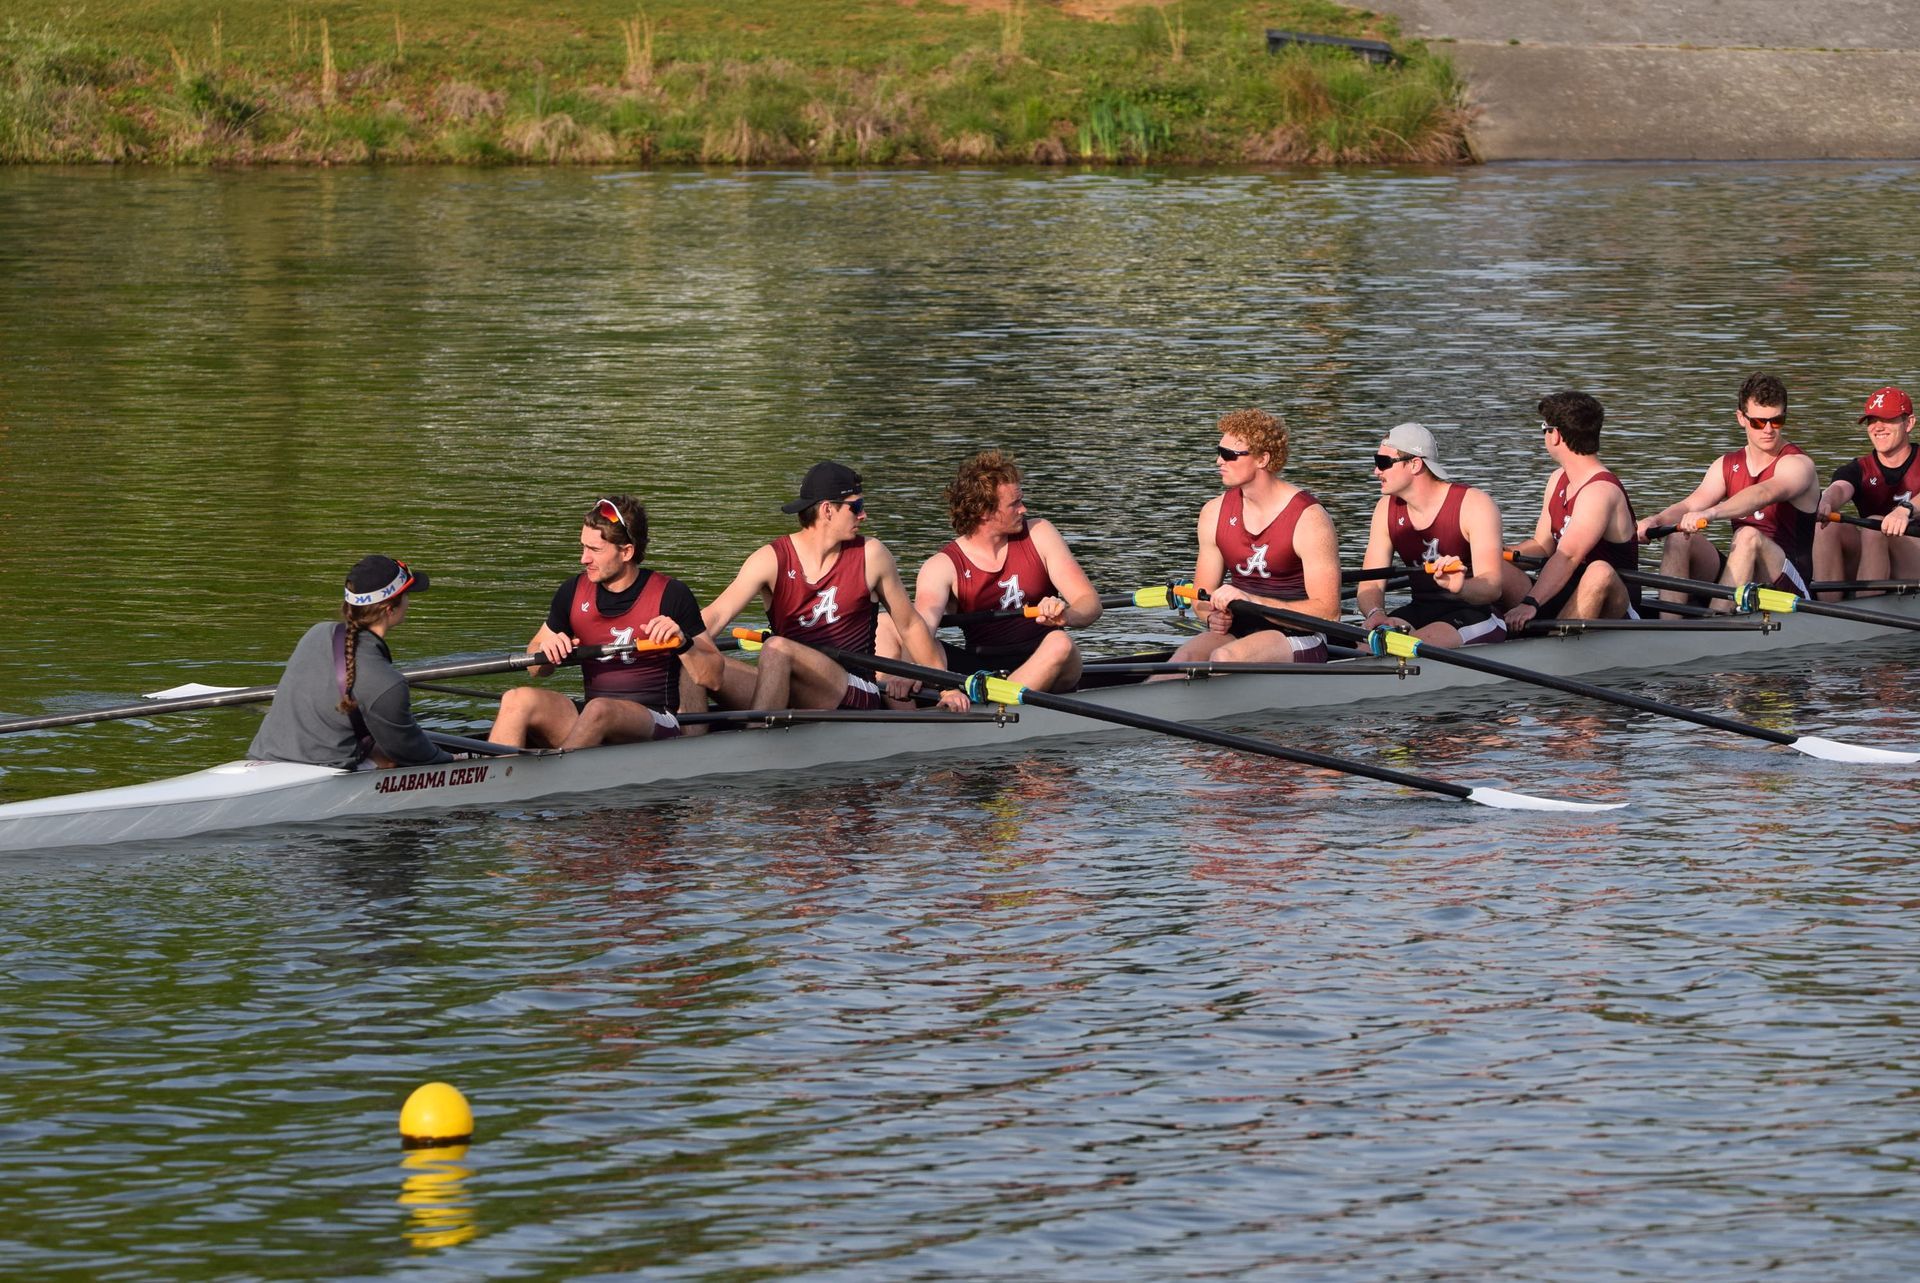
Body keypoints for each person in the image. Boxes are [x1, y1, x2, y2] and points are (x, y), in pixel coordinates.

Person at [702, 461, 970, 712]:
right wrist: (677, 640)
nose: (863, 515)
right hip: (792, 681)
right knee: (694, 659)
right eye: (857, 506)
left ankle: (756, 744)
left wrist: (946, 687)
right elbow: (716, 615)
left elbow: (909, 625)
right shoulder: (770, 559)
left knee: (776, 648)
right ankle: (685, 738)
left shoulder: (870, 555)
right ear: (827, 510)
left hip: (855, 688)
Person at [488, 496, 723, 749]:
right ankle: (496, 778)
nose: (583, 559)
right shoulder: (572, 592)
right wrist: (545, 651)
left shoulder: (671, 594)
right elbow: (534, 667)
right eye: (583, 547)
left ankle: (562, 774)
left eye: (595, 550)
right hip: (593, 718)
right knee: (515, 699)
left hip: (655, 722)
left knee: (600, 709)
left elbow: (714, 678)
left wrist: (683, 643)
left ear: (626, 552)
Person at [889, 449, 1102, 692]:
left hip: (1049, 662)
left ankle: (994, 706)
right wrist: (908, 668)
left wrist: (1067, 616)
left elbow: (1090, 603)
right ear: (984, 512)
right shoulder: (941, 566)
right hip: (980, 670)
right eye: (1015, 504)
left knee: (1060, 643)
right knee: (891, 627)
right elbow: (922, 625)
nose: (1024, 509)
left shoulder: (1040, 533)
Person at [1167, 408, 1338, 666]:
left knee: (1224, 658)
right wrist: (1210, 617)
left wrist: (1253, 600)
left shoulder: (1309, 518)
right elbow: (1202, 596)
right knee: (1185, 658)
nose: (1218, 461)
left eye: (1229, 455)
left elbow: (1329, 612)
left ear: (1262, 459)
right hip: (1239, 629)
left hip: (1297, 634)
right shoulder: (1213, 513)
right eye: (1219, 452)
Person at [249, 556, 453, 769]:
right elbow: (412, 753)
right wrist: (452, 760)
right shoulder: (387, 684)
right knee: (393, 757)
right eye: (407, 595)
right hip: (324, 776)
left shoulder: (315, 634)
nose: (409, 602)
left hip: (262, 757)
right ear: (389, 609)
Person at [1635, 372, 1818, 606]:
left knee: (1747, 535)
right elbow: (1690, 505)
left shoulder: (1798, 465)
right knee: (1679, 536)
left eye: (1777, 420)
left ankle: (1717, 621)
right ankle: (1667, 625)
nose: (1769, 429)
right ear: (1741, 418)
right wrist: (1654, 520)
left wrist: (1711, 513)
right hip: (1743, 573)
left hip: (1788, 584)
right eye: (1759, 422)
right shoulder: (1726, 464)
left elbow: (1763, 493)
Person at [1354, 422, 1508, 646]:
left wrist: (1461, 586)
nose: (1376, 471)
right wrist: (1376, 613)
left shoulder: (1474, 505)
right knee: (1361, 644)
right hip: (1421, 609)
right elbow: (1370, 584)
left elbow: (1492, 587)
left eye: (1383, 463)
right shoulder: (1385, 509)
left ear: (1415, 464)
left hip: (1475, 613)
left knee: (1407, 646)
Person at [1501, 391, 1640, 633]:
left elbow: (1568, 556)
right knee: (1494, 567)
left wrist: (1530, 602)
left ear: (1555, 435)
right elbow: (1543, 547)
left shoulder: (1600, 490)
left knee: (1598, 571)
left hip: (1613, 602)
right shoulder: (1557, 480)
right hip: (1563, 589)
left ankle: (1552, 650)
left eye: (1543, 427)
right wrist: (1494, 553)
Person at [1812, 385, 1920, 599]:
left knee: (1874, 527)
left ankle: (1866, 608)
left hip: (1914, 563)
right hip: (1877, 556)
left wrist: (1906, 509)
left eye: (1887, 419)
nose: (1878, 427)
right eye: (1872, 420)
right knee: (1826, 526)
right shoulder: (1858, 469)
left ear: (1909, 423)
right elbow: (1839, 489)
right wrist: (1826, 501)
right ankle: (1827, 608)